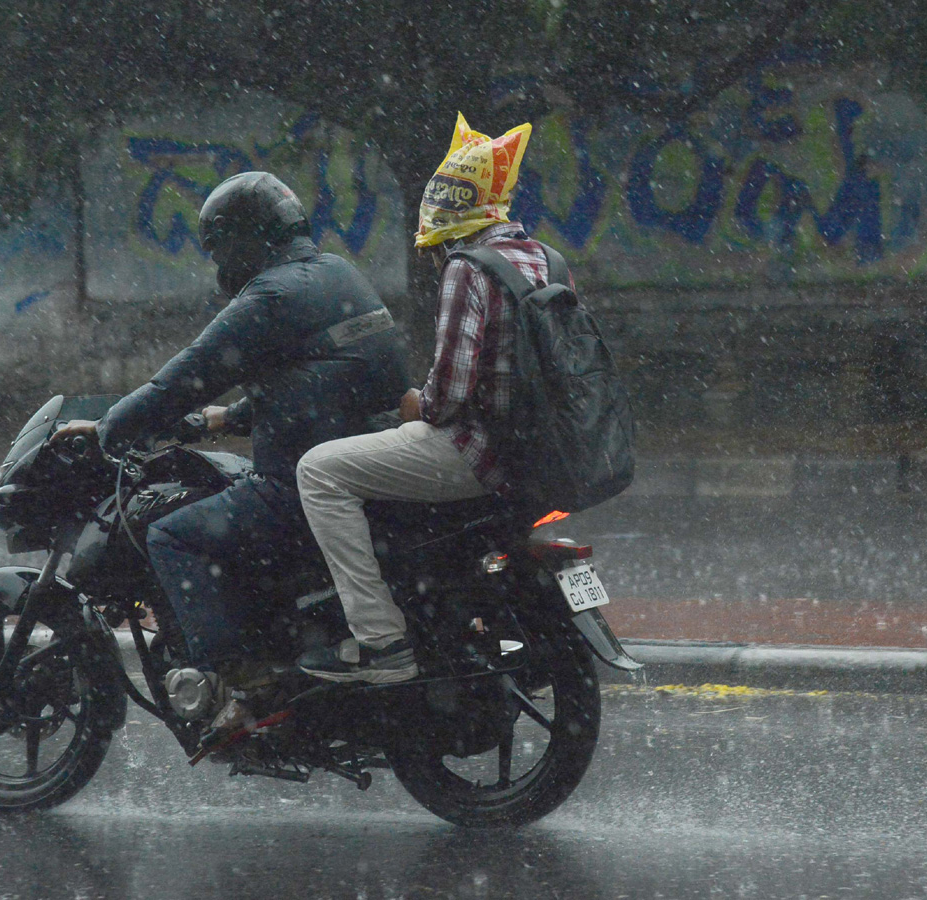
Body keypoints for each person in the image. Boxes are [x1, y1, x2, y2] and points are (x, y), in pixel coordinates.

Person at [54, 171, 409, 720]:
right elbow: (324, 383)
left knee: (170, 534)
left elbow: (178, 382)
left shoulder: (270, 296)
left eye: (219, 245)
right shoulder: (336, 274)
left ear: (242, 239)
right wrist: (218, 420)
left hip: (303, 486)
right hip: (368, 469)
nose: (219, 262)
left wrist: (106, 433)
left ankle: (239, 682)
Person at [295, 113, 559, 684]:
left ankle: (380, 640)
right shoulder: (539, 258)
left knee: (318, 470)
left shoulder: (470, 267)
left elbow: (453, 393)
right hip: (533, 452)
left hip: (475, 451)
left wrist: (417, 401)